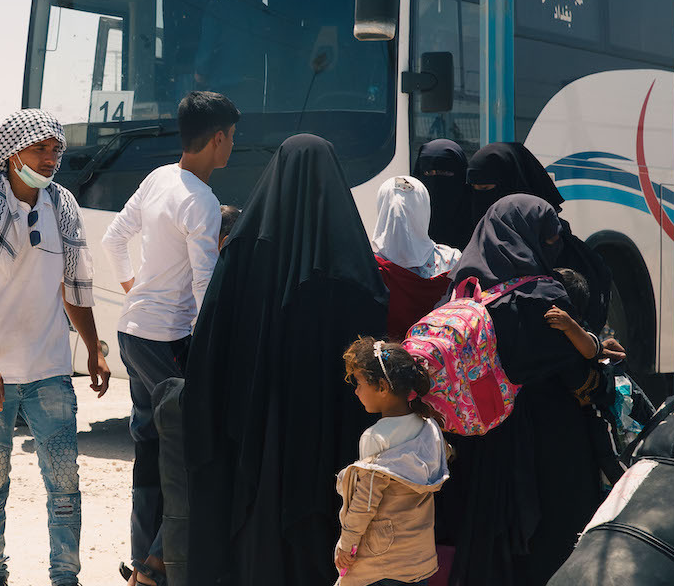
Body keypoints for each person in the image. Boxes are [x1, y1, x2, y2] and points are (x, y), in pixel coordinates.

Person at [183, 134, 388, 586]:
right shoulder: (351, 259)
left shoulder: (244, 248)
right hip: (325, 419)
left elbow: (213, 336)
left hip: (255, 413)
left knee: (258, 502)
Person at [0, 108, 111, 586]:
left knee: (65, 484)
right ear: (12, 154)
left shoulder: (63, 207)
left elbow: (72, 285)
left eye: (56, 149)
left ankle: (65, 578)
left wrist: (93, 347)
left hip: (49, 369)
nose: (50, 158)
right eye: (40, 149)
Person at [101, 90, 238, 586]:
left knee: (149, 450)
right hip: (167, 341)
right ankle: (155, 567)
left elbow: (113, 238)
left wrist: (134, 289)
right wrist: (213, 349)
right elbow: (205, 285)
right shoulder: (202, 201)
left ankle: (142, 559)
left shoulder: (158, 177)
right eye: (231, 138)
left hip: (131, 332)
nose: (231, 147)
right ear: (218, 138)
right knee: (190, 453)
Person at [437, 194, 604, 586]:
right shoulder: (542, 296)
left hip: (483, 439)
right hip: (546, 442)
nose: (554, 243)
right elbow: (578, 377)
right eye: (549, 236)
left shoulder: (462, 291)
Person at [466, 142, 614, 336]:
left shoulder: (556, 243)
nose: (480, 199)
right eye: (474, 189)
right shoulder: (470, 246)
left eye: (486, 188)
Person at [335, 338, 449, 586]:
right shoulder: (429, 427)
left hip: (382, 562)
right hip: (417, 557)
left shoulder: (375, 438)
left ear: (383, 387)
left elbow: (365, 501)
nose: (356, 391)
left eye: (359, 383)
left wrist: (347, 543)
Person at [369, 176, 462, 340]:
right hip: (439, 352)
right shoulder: (453, 260)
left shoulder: (369, 267)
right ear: (424, 208)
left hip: (389, 354)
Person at [412, 139, 473, 249]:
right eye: (428, 173)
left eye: (445, 172)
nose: (436, 181)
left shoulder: (475, 213)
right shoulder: (410, 215)